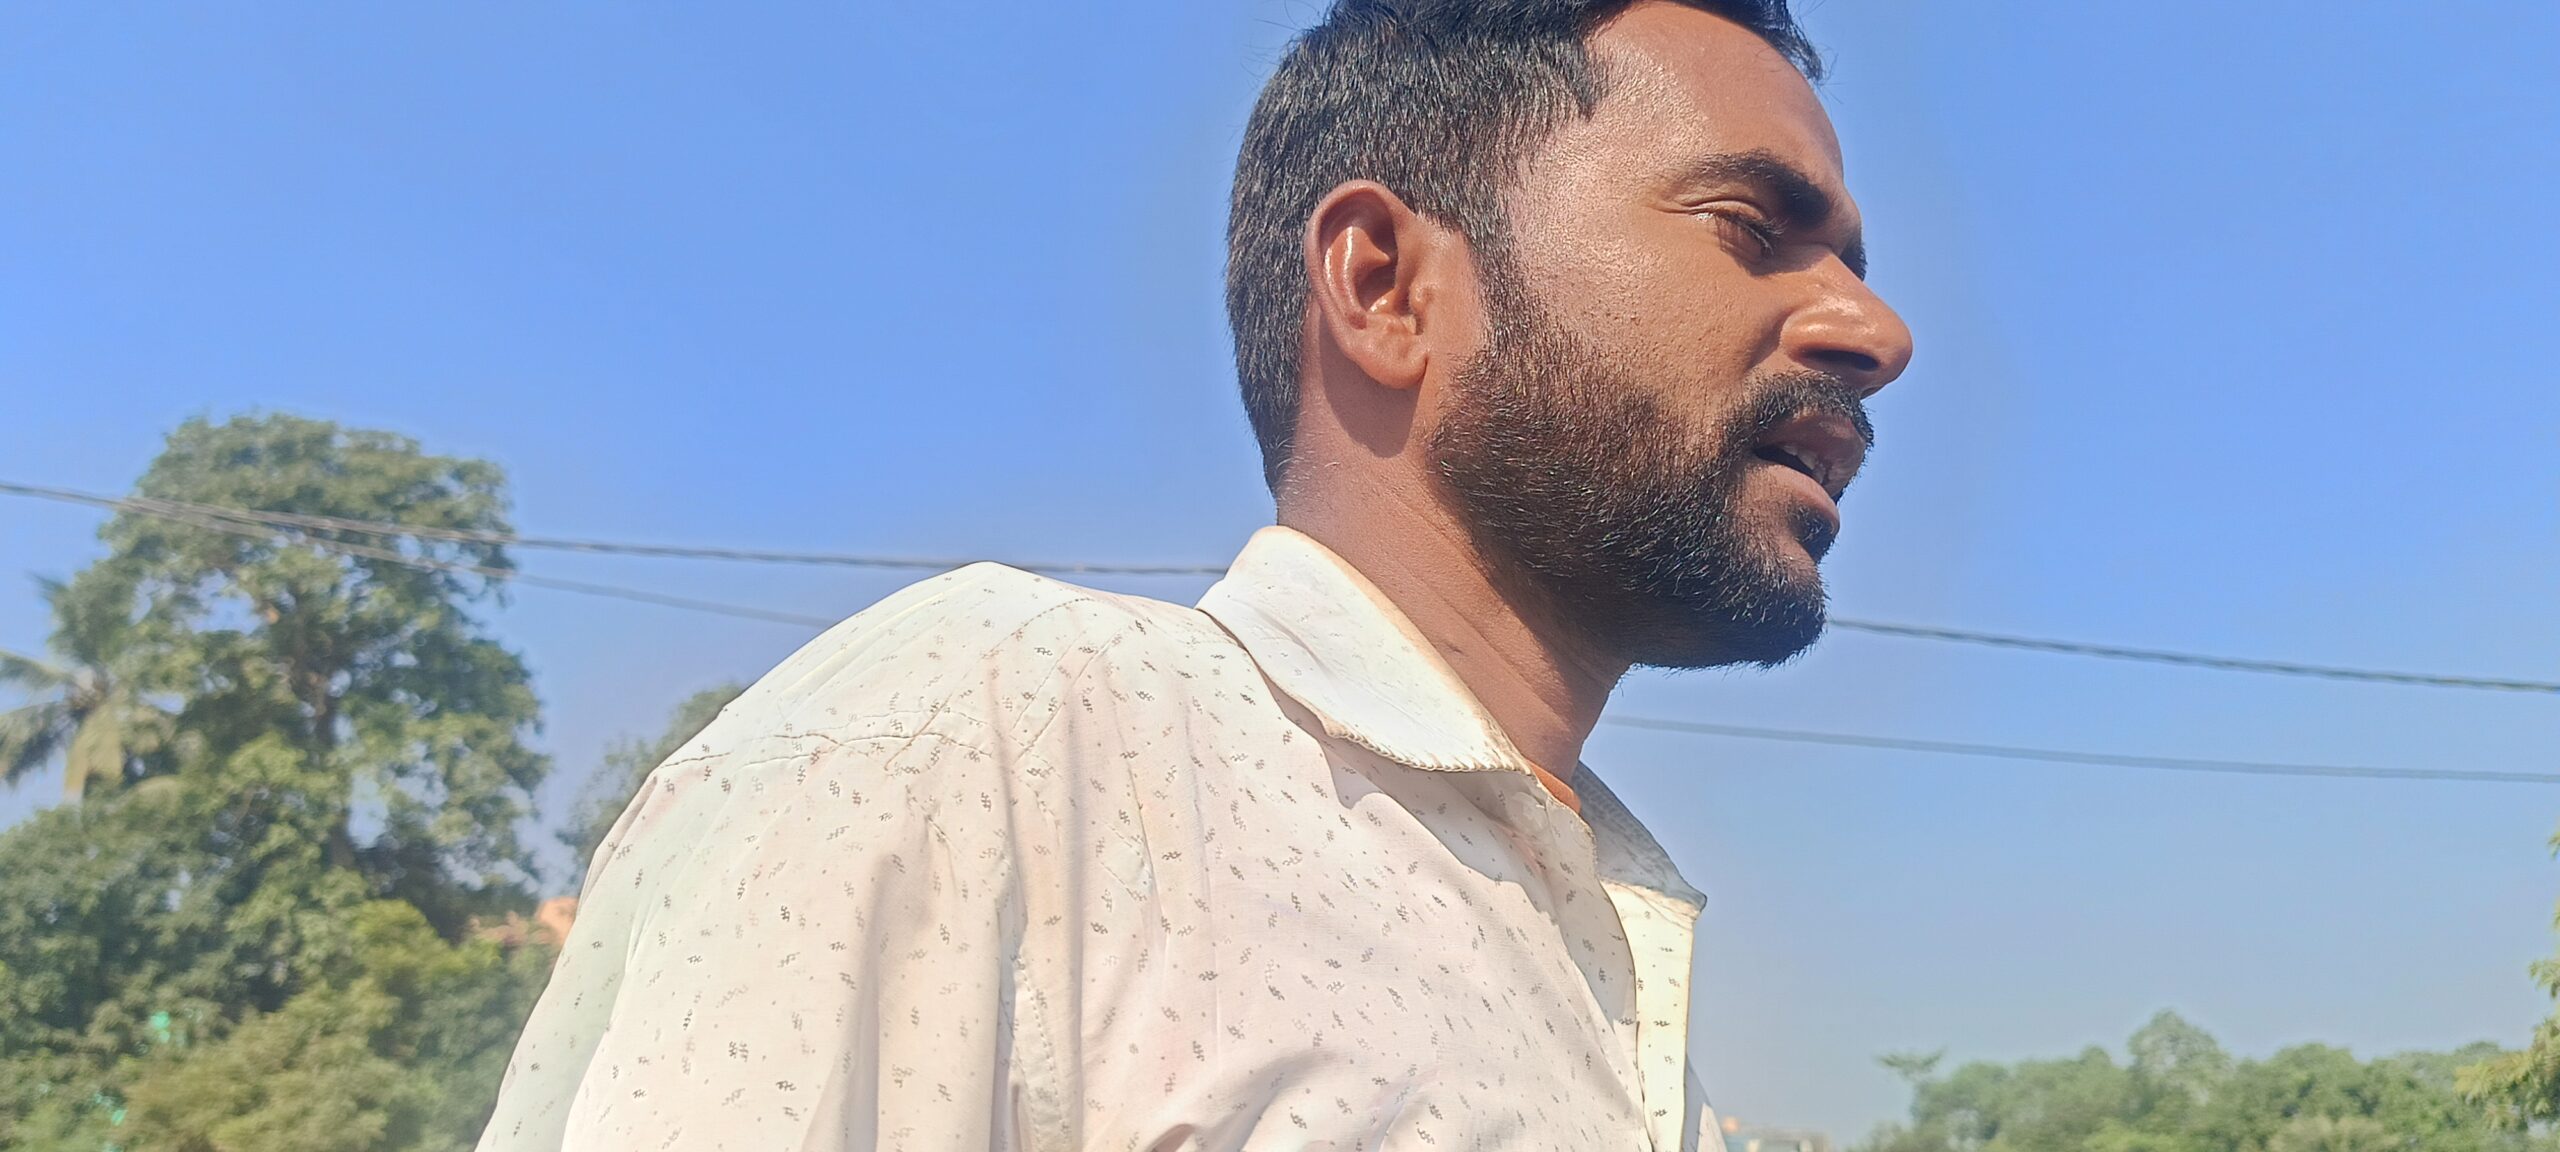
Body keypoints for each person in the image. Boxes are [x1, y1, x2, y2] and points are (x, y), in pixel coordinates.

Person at [478, 0, 1911, 1147]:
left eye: (1850, 261)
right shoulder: (1006, 743)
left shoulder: (1612, 969)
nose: (1876, 332)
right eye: (1751, 229)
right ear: (1384, 286)